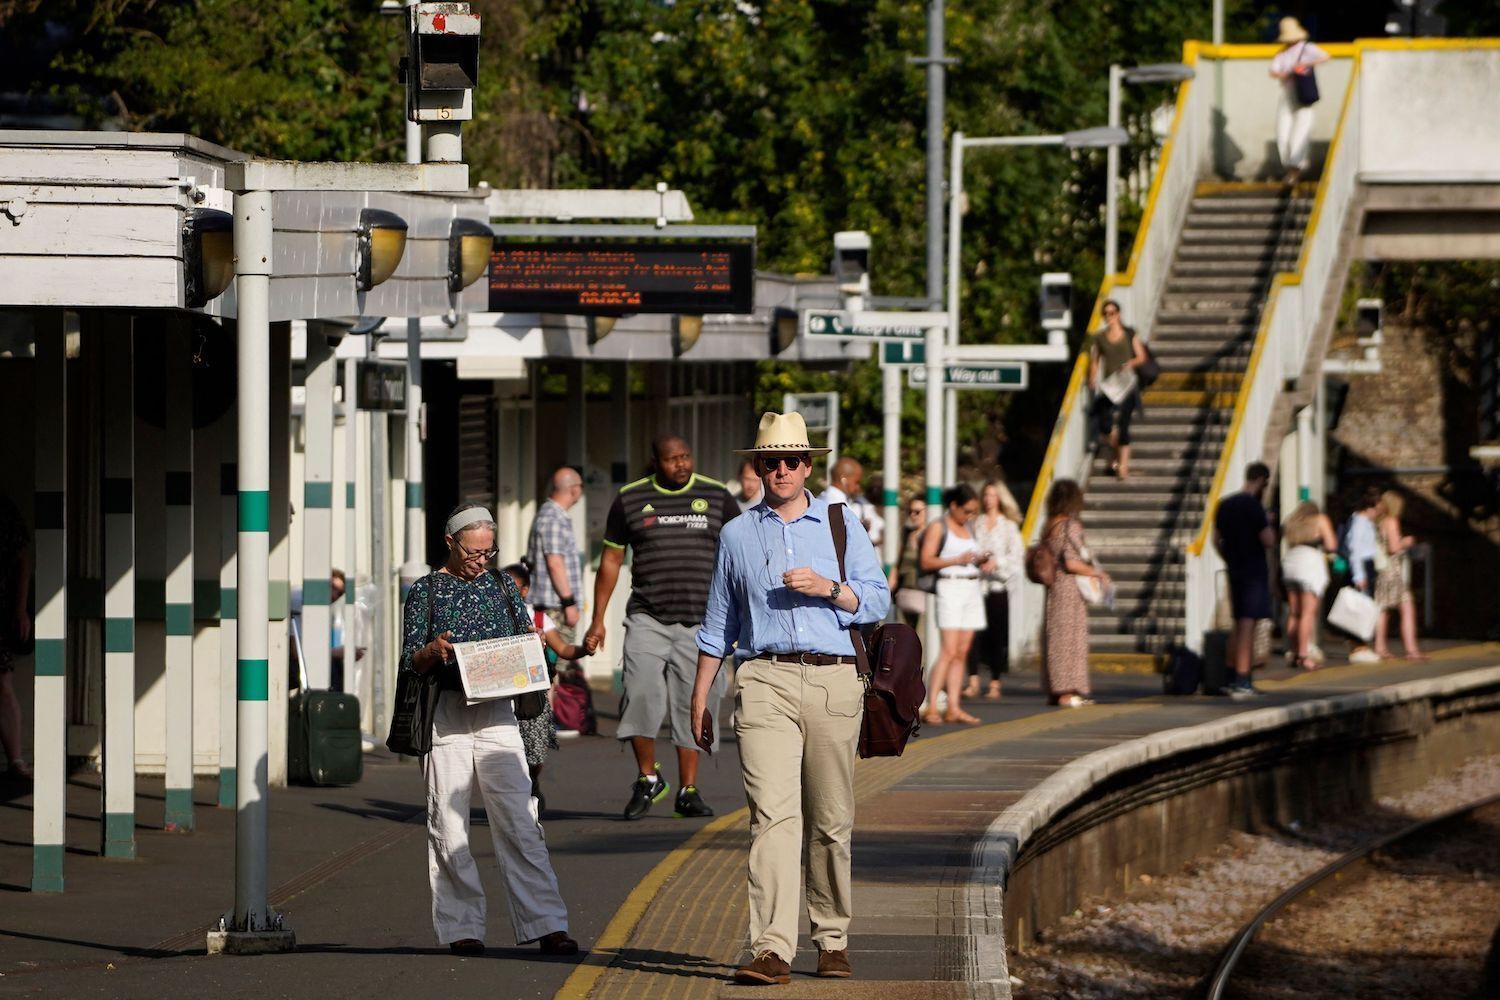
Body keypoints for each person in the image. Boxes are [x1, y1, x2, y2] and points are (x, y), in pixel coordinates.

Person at [690, 411, 890, 985]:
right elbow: (717, 624)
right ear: (756, 467)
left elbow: (879, 600)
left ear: (808, 465)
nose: (781, 470)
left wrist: (831, 589)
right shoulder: (735, 534)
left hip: (833, 681)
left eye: (792, 460)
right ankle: (771, 948)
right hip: (764, 680)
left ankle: (831, 938)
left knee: (830, 820)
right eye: (770, 461)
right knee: (772, 817)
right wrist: (699, 699)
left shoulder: (840, 522)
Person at [399, 503, 577, 957]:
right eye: (473, 551)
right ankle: (463, 927)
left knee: (521, 819)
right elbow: (409, 661)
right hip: (448, 715)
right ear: (450, 543)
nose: (482, 560)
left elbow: (525, 638)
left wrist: (535, 647)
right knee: (448, 821)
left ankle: (548, 923)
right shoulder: (426, 591)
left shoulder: (502, 586)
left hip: (499, 713)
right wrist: (433, 651)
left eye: (489, 551)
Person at [585, 433, 739, 820]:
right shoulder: (631, 499)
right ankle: (648, 778)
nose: (681, 464)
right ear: (655, 461)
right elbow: (611, 560)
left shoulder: (717, 496)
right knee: (638, 692)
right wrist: (597, 619)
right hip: (647, 617)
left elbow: (742, 554)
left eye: (686, 456)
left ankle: (688, 790)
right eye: (672, 459)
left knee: (695, 704)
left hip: (702, 622)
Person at [501, 562, 592, 813]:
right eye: (502, 587)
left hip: (534, 694)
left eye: (513, 587)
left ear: (525, 590)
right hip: (502, 693)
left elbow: (563, 649)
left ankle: (533, 781)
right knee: (505, 747)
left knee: (535, 749)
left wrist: (586, 648)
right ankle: (513, 795)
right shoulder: (493, 615)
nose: (507, 593)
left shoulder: (539, 618)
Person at [918, 484, 993, 726]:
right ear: (954, 506)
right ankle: (931, 706)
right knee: (948, 650)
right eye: (967, 511)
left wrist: (982, 560)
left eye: (973, 512)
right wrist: (956, 560)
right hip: (949, 587)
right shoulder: (939, 527)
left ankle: (953, 707)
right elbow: (926, 561)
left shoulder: (968, 527)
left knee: (962, 651)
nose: (969, 516)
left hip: (971, 587)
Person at [1040, 479, 1106, 708]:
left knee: (1055, 637)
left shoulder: (1049, 525)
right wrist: (1097, 573)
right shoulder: (1071, 526)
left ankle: (1055, 689)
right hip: (1070, 588)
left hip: (1054, 588)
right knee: (1070, 638)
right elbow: (1072, 562)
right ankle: (1067, 691)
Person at [1213, 462, 1275, 698]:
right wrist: (1268, 522)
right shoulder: (1254, 507)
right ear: (1261, 480)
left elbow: (1216, 540)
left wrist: (1228, 558)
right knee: (1248, 625)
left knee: (1237, 624)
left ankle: (1230, 677)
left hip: (1235, 568)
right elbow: (1268, 540)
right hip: (1253, 571)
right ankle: (1243, 679)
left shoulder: (1225, 504)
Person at [965, 481, 1024, 701]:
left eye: (993, 495)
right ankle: (972, 680)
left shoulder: (1008, 526)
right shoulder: (975, 523)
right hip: (976, 585)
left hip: (998, 585)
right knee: (973, 634)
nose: (989, 499)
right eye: (986, 495)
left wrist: (996, 563)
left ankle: (995, 681)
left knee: (997, 635)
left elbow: (1016, 557)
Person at [1088, 300, 1149, 480]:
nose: (1110, 317)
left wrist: (1130, 363)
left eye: (1112, 312)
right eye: (1106, 314)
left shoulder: (1129, 334)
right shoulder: (1100, 337)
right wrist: (1092, 377)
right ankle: (1117, 452)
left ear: (1119, 314)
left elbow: (1141, 357)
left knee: (1124, 425)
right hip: (1110, 386)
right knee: (1105, 425)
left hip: (1127, 384)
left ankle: (1123, 466)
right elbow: (1095, 360)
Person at [1269, 17, 1331, 188]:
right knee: (1283, 130)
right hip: (1288, 93)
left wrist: (1304, 64)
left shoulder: (1306, 48)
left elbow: (1325, 57)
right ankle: (1289, 166)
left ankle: (1296, 168)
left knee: (1301, 130)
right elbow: (1273, 71)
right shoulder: (1282, 53)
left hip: (1303, 94)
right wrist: (1288, 73)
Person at [526, 466, 585, 640]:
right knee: (558, 664)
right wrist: (569, 603)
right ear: (574, 489)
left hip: (553, 606)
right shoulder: (553, 518)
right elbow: (555, 563)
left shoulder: (551, 515)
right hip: (554, 607)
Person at [1280, 500, 1337, 670]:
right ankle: (1304, 656)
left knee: (1294, 613)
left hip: (1291, 562)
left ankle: (1293, 652)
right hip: (1309, 564)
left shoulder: (1291, 522)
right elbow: (1331, 545)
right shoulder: (1320, 519)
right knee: (1308, 613)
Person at [1373, 491, 1428, 662]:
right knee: (1407, 608)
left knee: (1384, 610)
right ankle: (1411, 650)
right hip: (1393, 571)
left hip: (1382, 572)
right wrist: (1407, 541)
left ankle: (1380, 647)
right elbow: (1394, 548)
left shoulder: (1377, 522)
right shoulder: (1391, 521)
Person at [0, 494, 30, 780]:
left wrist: (20, 609)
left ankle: (16, 759)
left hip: (0, 606)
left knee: (3, 684)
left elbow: (23, 558)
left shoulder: (3, 507)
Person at [1342, 487, 1384, 664]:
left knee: (1365, 606)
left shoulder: (1364, 522)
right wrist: (1359, 575)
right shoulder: (1359, 523)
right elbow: (1355, 550)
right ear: (1371, 505)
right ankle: (1359, 647)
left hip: (1367, 565)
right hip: (1363, 567)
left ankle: (1361, 645)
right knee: (1362, 607)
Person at [822, 456, 883, 550]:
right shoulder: (834, 503)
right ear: (844, 480)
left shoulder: (829, 498)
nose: (858, 487)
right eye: (856, 482)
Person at [890, 497, 928, 626]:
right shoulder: (905, 534)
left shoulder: (931, 535)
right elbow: (897, 562)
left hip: (925, 594)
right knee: (905, 636)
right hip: (905, 593)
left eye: (917, 512)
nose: (913, 515)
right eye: (910, 511)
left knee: (924, 638)